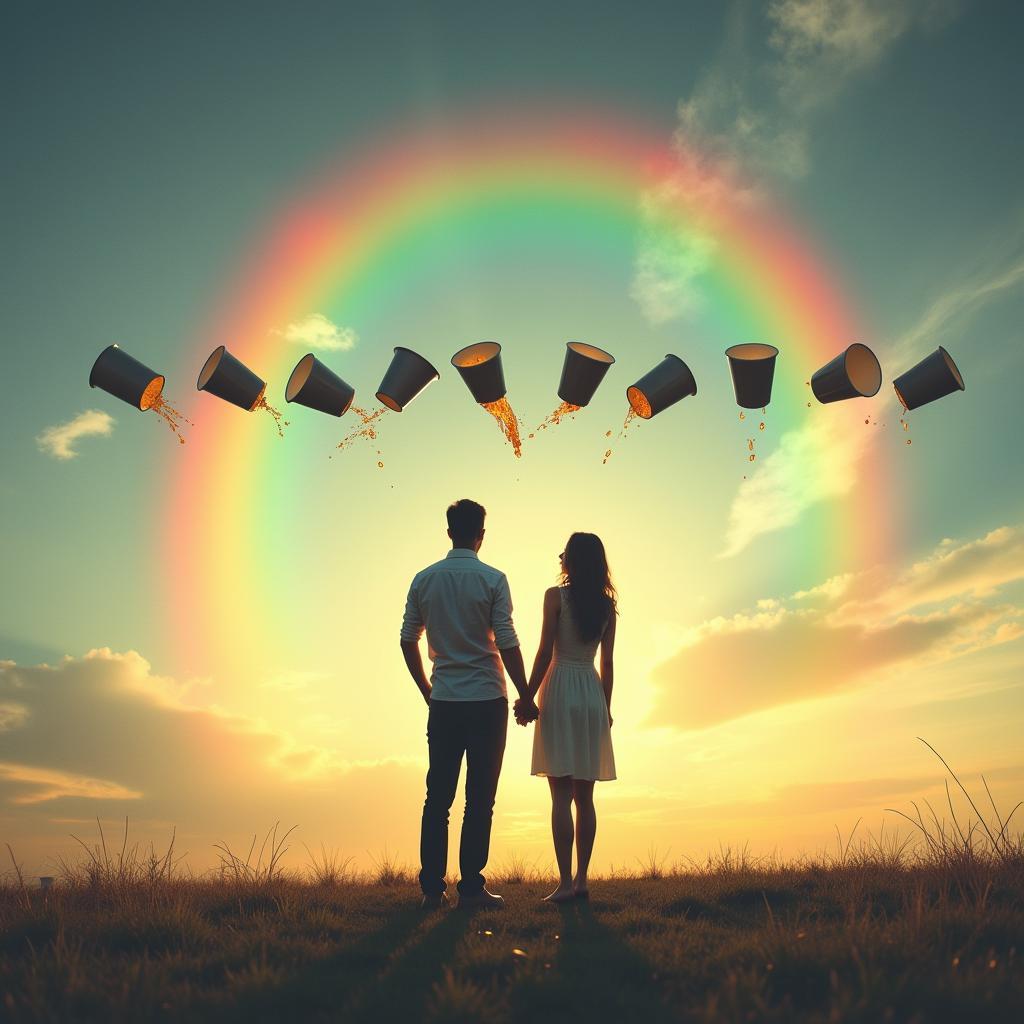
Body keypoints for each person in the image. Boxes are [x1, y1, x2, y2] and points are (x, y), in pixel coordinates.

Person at [400, 498, 536, 911]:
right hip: (487, 701)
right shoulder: (493, 579)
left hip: (444, 701)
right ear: (481, 534)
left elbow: (408, 638)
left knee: (437, 797)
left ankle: (431, 890)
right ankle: (472, 889)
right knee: (480, 799)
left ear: (448, 532)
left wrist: (427, 688)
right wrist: (526, 694)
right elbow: (507, 640)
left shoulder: (424, 579)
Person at [516, 532, 617, 902]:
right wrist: (605, 709)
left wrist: (527, 696)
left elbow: (545, 650)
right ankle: (583, 880)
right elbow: (607, 663)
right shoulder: (607, 607)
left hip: (559, 686)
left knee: (560, 793)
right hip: (590, 691)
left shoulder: (554, 597)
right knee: (585, 795)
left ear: (570, 561)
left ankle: (563, 883)